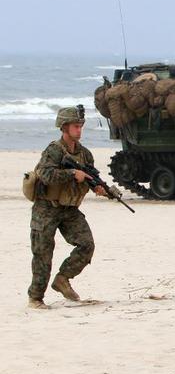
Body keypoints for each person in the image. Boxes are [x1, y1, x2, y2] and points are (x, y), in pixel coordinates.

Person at [26, 106, 105, 309]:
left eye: (80, 126)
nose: (79, 131)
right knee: (43, 253)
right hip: (47, 207)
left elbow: (88, 177)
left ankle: (62, 279)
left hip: (69, 209)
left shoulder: (85, 154)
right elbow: (45, 174)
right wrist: (71, 174)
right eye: (75, 126)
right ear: (64, 128)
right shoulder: (53, 150)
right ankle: (36, 298)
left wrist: (96, 186)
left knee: (86, 244)